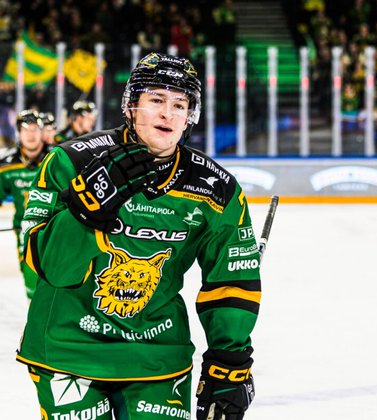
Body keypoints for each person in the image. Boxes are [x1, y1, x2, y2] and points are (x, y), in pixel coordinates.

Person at [17, 52, 260, 419]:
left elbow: (232, 279)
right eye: (156, 100)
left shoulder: (216, 187)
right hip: (69, 347)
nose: (168, 114)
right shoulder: (71, 162)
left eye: (179, 104)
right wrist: (86, 211)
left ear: (189, 117)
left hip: (158, 354)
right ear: (131, 106)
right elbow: (47, 267)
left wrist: (230, 359)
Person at [0, 109, 52, 299]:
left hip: (55, 228)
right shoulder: (6, 165)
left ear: (42, 132)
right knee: (32, 283)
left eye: (35, 129)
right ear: (18, 133)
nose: (31, 134)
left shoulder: (57, 159)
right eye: (25, 129)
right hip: (25, 232)